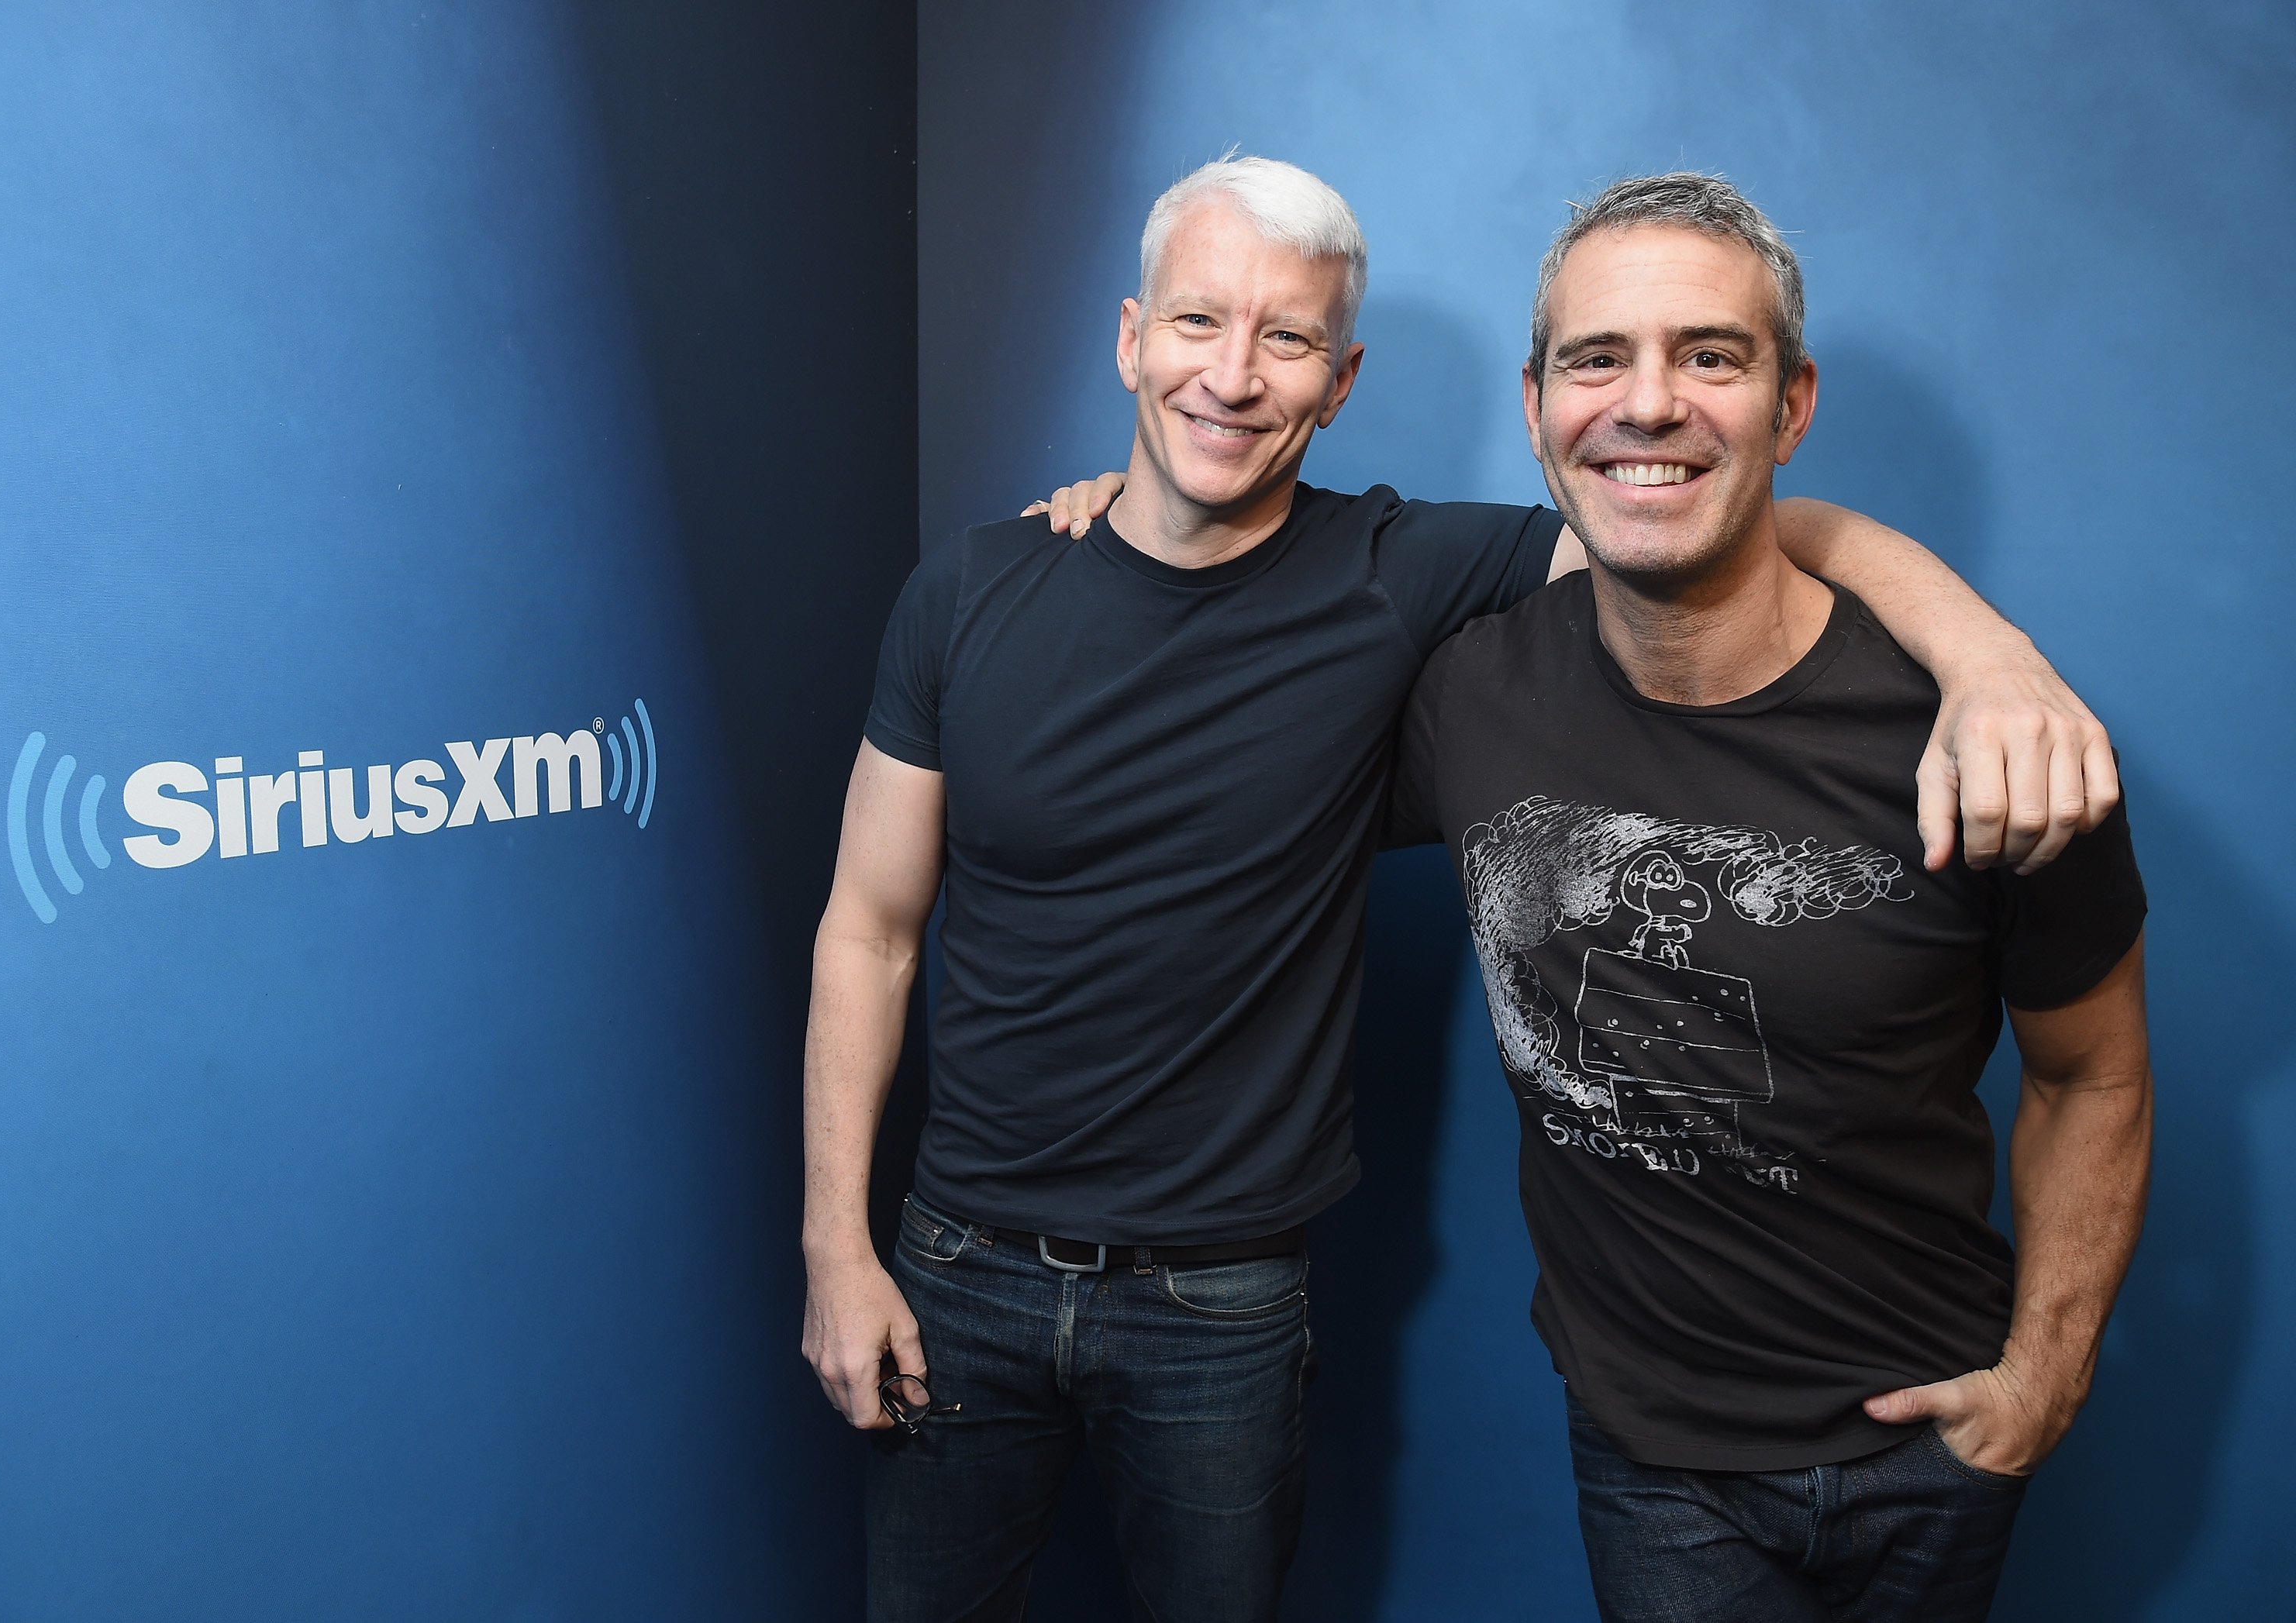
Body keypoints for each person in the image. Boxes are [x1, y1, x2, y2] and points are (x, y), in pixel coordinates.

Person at [802, 157, 2118, 1622]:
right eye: (1195, 325)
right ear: (1130, 339)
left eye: (1286, 339)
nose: (1232, 376)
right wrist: (832, 1242)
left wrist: (1985, 651)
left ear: (1341, 379)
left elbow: (1696, 507)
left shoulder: (1401, 573)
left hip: (1222, 1302)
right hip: (958, 1264)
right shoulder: (976, 591)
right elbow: (869, 926)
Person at [1388, 173, 2152, 1621]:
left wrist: (2044, 1377)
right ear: (1539, 402)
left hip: (1932, 1444)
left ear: (1792, 406)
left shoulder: (1989, 739)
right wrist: (1139, 499)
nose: (1650, 402)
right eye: (1598, 357)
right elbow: (1219, 687)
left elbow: (2092, 1074)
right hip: (1651, 1458)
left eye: (1711, 356)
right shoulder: (1468, 695)